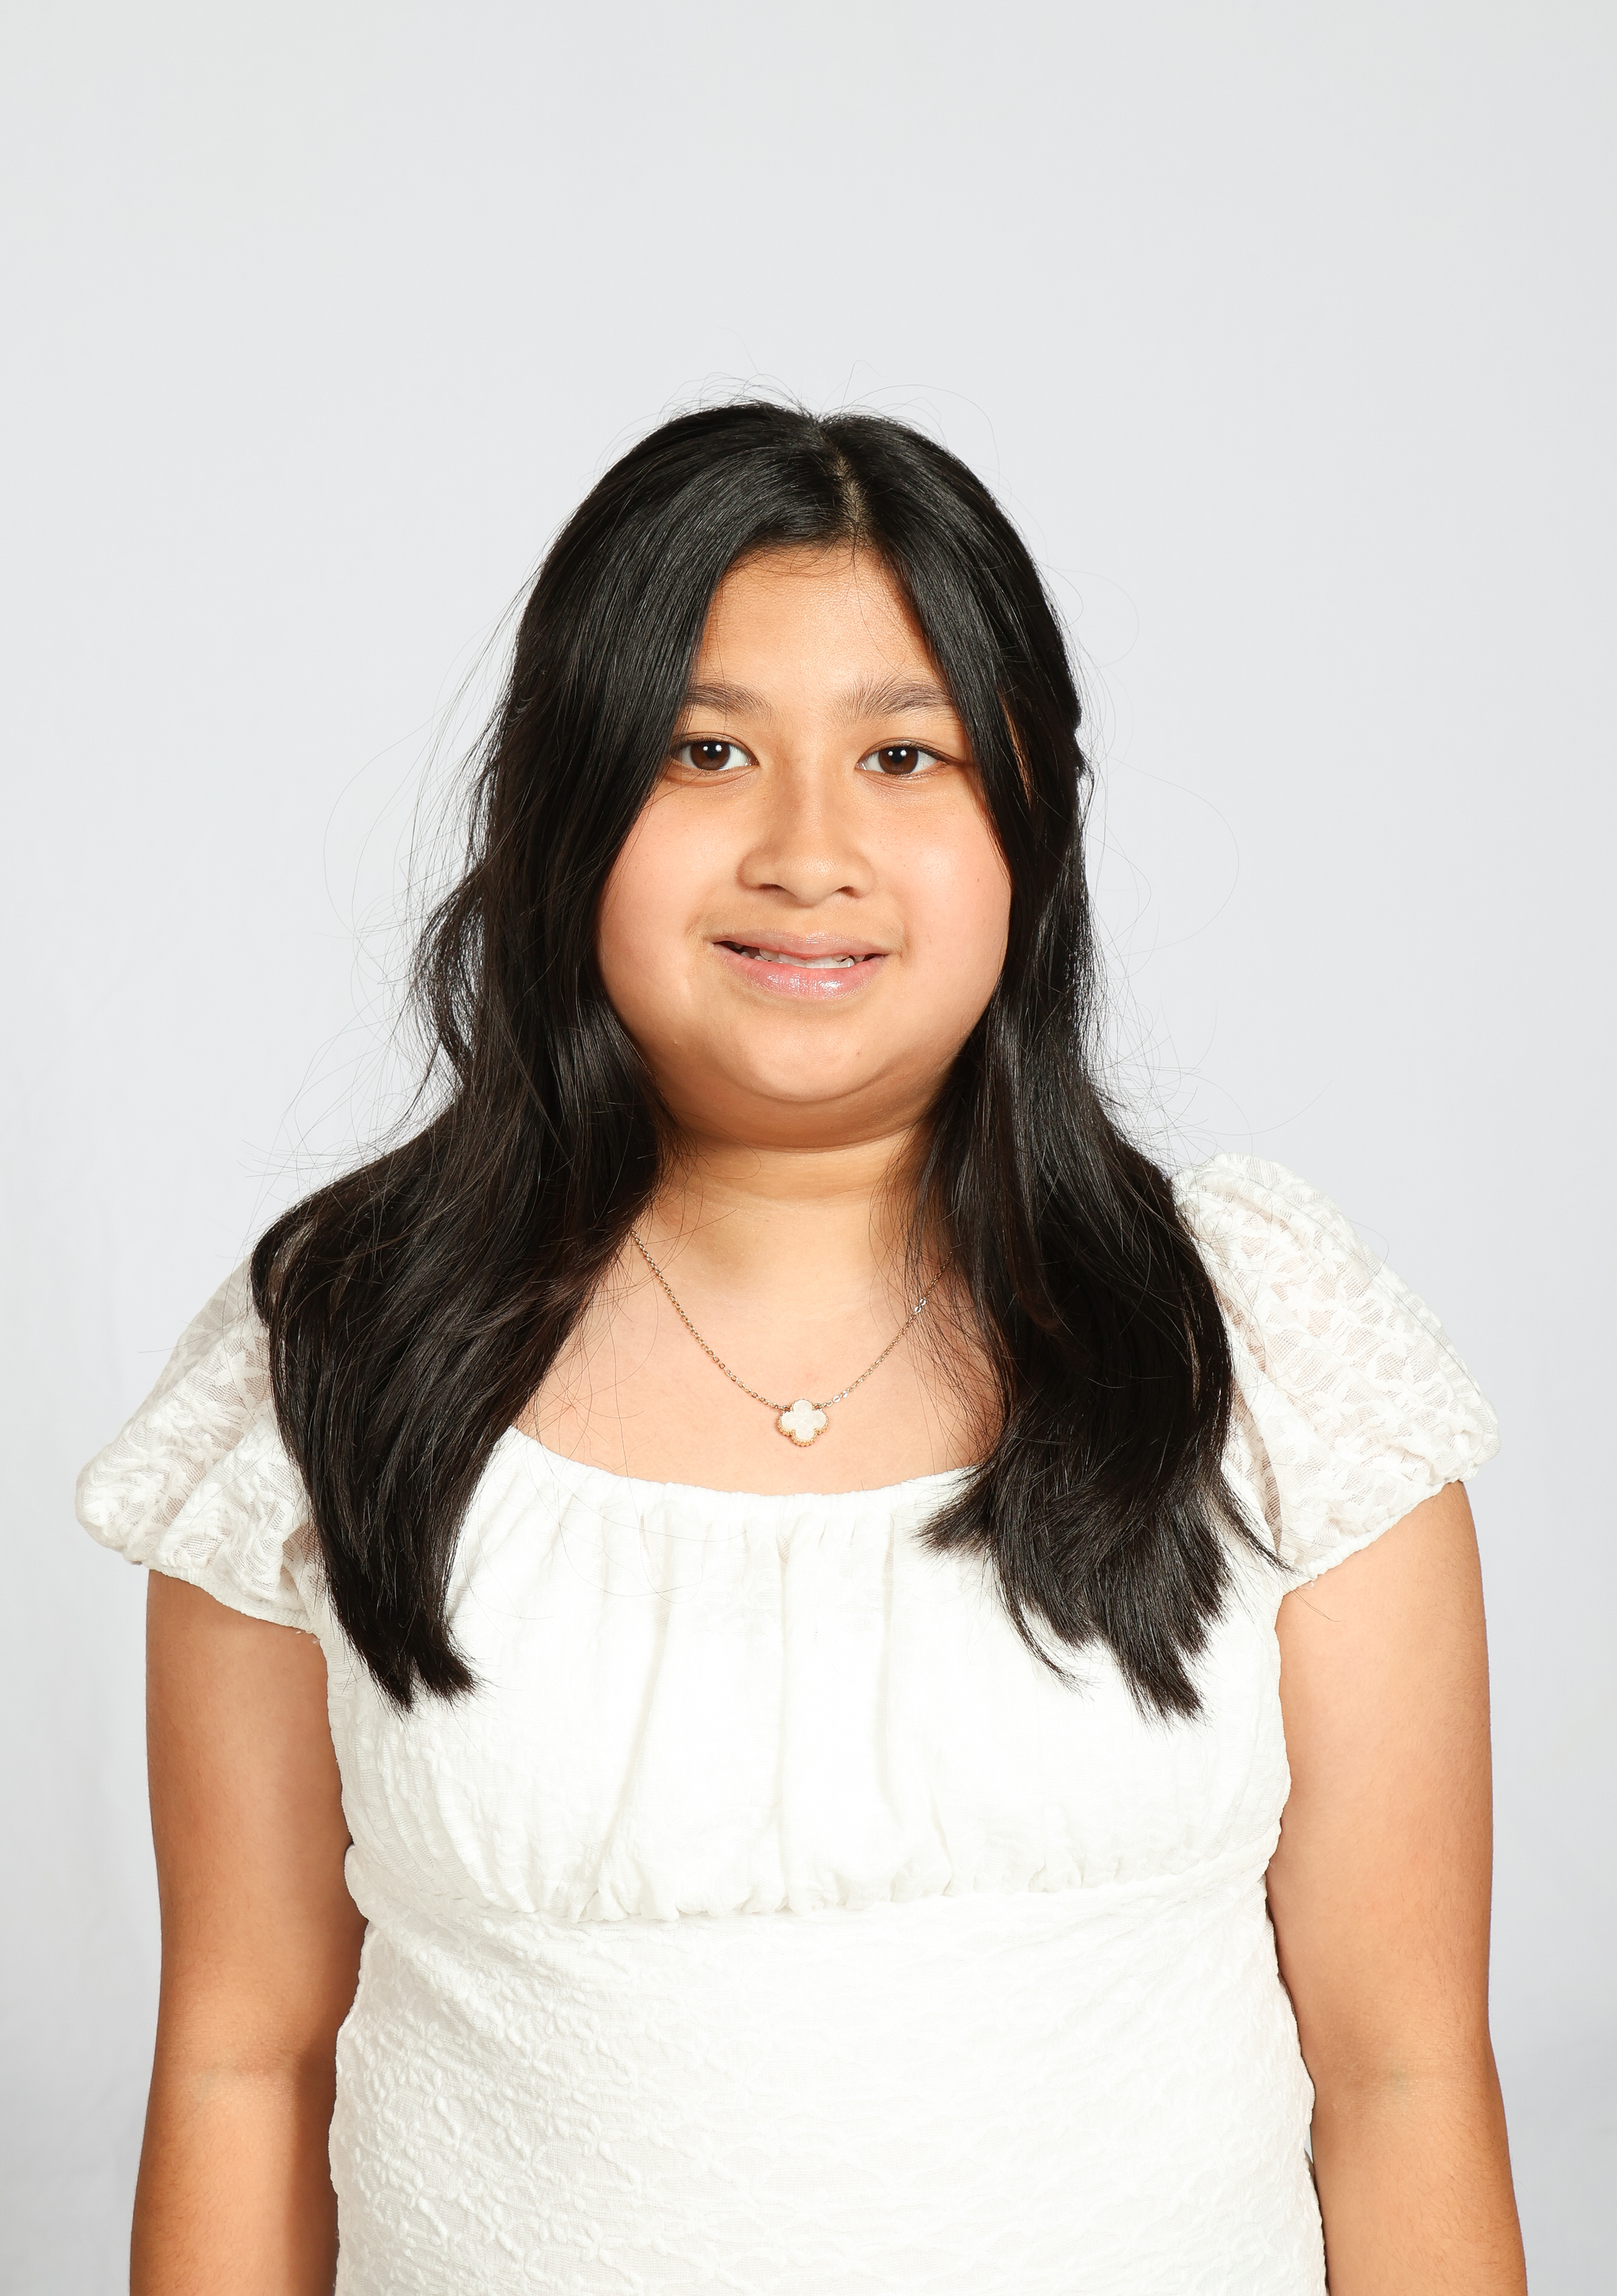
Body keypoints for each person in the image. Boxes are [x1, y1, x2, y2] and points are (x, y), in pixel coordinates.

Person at [79, 402, 1527, 2295]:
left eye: (904, 756)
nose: (808, 851)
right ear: (565, 809)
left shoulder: (1253, 1346)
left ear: (1029, 823)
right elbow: (243, 2061)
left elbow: (1403, 2075)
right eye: (706, 751)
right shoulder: (346, 1347)